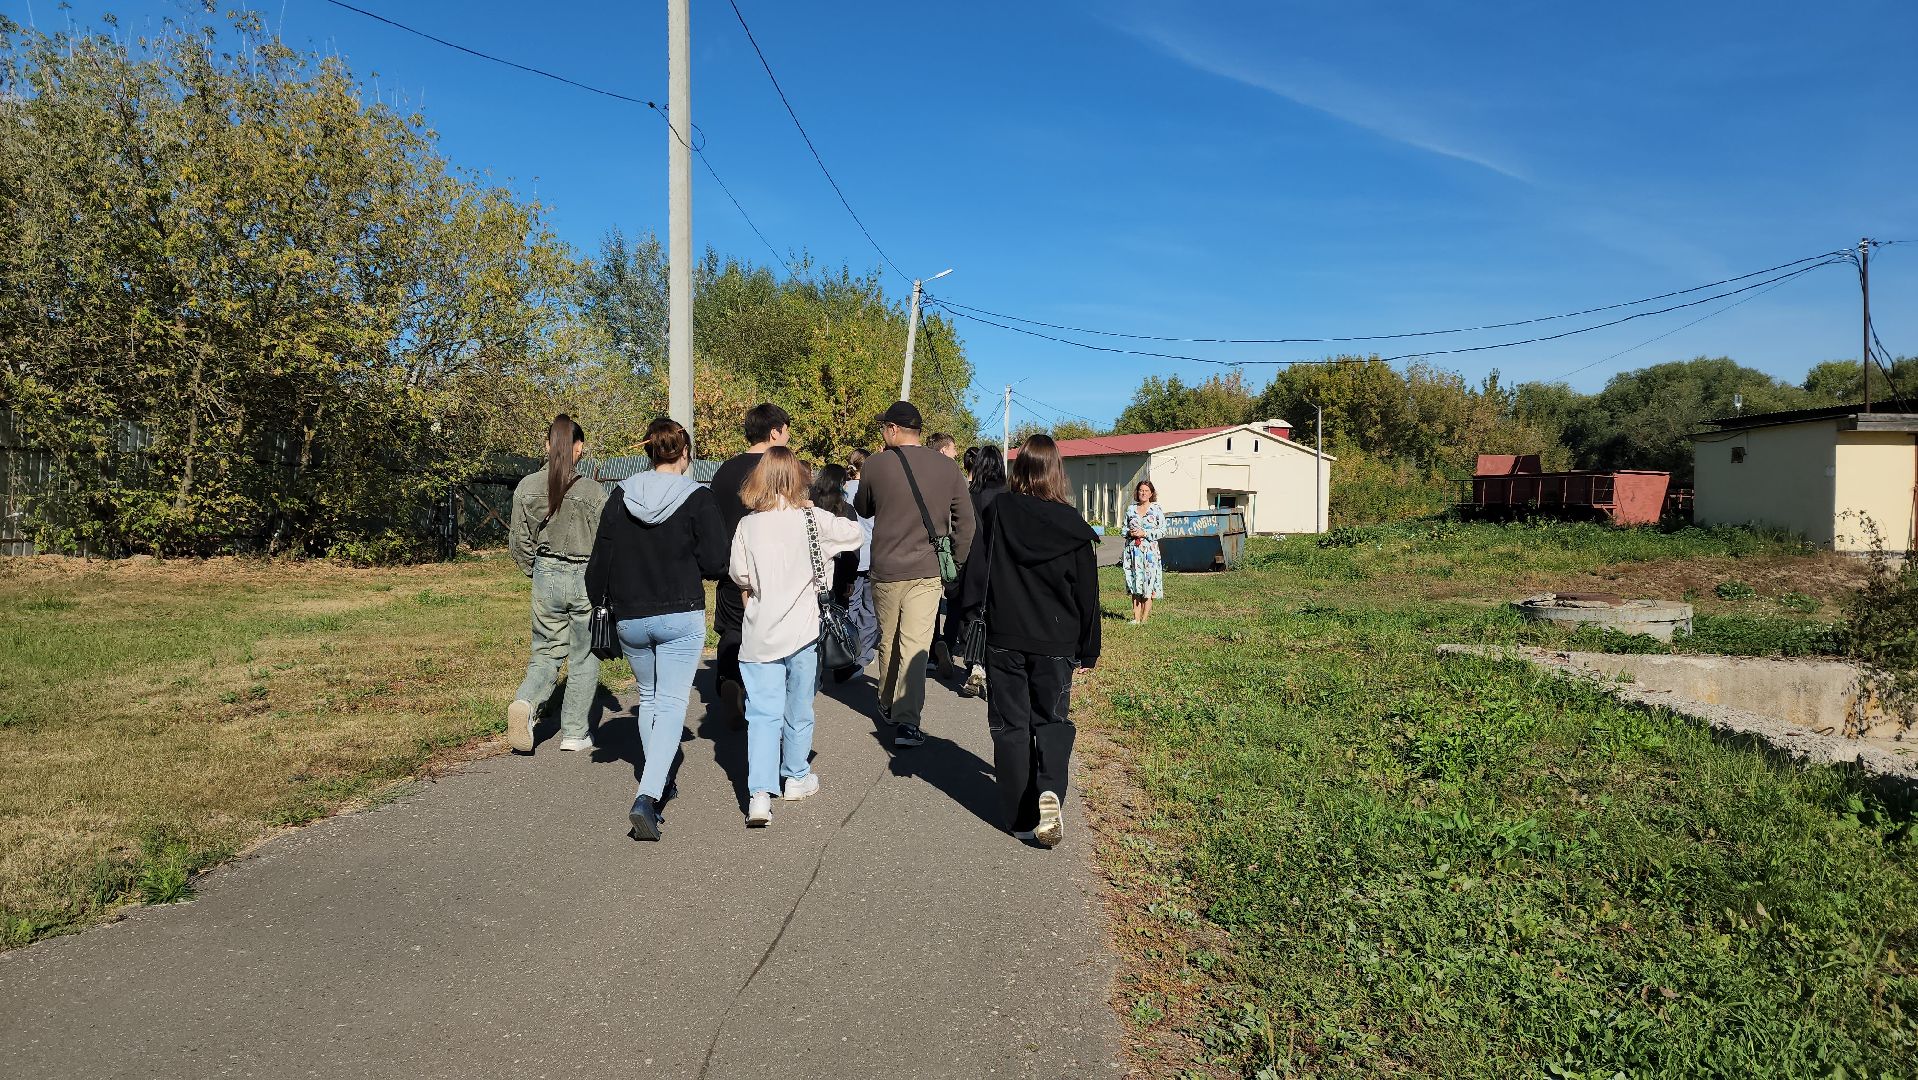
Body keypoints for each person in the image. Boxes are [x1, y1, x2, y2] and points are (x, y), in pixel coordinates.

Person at [585, 418, 726, 841]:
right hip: (680, 613)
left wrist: (602, 603)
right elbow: (717, 562)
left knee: (649, 697)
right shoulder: (699, 497)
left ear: (648, 451)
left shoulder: (620, 495)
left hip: (630, 616)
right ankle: (647, 794)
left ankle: (658, 779)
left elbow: (600, 562)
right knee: (670, 704)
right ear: (685, 453)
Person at [955, 434, 1100, 847]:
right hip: (1057, 641)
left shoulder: (1000, 510)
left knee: (1010, 725)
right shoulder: (1073, 526)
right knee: (1051, 719)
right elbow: (1087, 593)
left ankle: (1020, 816)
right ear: (1056, 471)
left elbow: (978, 569)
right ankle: (1050, 788)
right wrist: (1088, 647)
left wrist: (966, 615)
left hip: (1005, 636)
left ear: (1019, 470)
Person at [730, 448, 864, 827]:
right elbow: (854, 535)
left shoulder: (747, 525)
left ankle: (759, 795)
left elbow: (740, 577)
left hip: (759, 633)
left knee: (762, 714)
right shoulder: (813, 518)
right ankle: (796, 776)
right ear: (797, 478)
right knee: (799, 709)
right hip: (803, 630)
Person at [853, 402, 976, 749]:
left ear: (892, 429)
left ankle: (888, 702)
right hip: (926, 571)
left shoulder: (875, 464)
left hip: (886, 570)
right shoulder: (947, 467)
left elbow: (863, 508)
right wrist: (957, 561)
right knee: (915, 645)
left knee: (888, 640)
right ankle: (908, 723)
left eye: (883, 427)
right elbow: (966, 523)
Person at [506, 414, 608, 755]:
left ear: (548, 446)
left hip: (546, 574)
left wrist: (535, 570)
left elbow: (518, 541)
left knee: (546, 651)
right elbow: (607, 544)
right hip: (585, 578)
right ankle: (575, 733)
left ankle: (526, 701)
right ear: (579, 448)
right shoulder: (593, 491)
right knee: (584, 654)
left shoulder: (527, 486)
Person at [708, 404, 792, 726]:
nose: (787, 437)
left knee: (733, 629)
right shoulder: (781, 470)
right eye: (786, 431)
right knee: (772, 634)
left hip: (733, 568)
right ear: (775, 432)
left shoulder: (724, 471)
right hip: (775, 569)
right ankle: (763, 697)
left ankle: (729, 677)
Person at [952, 444, 1008, 698]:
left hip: (974, 563)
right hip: (1000, 564)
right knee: (997, 618)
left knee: (971, 615)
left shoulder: (969, 494)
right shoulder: (1008, 494)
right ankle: (991, 670)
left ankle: (974, 665)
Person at [844, 449, 880, 667]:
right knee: (870, 609)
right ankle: (863, 654)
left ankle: (846, 649)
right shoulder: (873, 491)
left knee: (850, 605)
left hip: (849, 556)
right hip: (872, 555)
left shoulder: (843, 489)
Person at [1123, 480, 1167, 625]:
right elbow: (1123, 529)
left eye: (1146, 491)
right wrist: (1130, 532)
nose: (1143, 493)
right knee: (1135, 582)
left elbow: (1162, 531)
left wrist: (1144, 533)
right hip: (1133, 552)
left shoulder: (1156, 509)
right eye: (1141, 490)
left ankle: (1144, 619)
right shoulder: (1130, 509)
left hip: (1150, 553)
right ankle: (1135, 618)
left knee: (1148, 583)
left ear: (1151, 493)